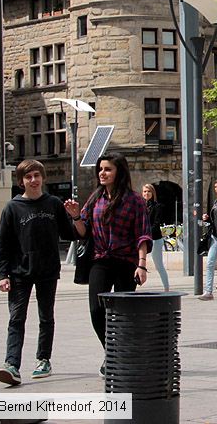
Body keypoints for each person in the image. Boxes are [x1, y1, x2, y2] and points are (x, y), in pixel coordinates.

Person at [0, 160, 85, 386]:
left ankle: (43, 359)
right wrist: (2, 275)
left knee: (46, 317)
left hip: (47, 270)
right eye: (28, 177)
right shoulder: (12, 208)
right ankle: (11, 364)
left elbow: (74, 234)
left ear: (42, 178)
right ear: (21, 181)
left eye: (36, 175)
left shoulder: (53, 204)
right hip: (19, 272)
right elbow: (3, 245)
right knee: (16, 318)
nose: (33, 180)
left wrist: (76, 216)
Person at [63, 154, 150, 377]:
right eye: (100, 169)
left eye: (108, 169)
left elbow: (142, 235)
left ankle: (119, 355)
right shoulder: (95, 198)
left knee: (123, 314)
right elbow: (83, 232)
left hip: (126, 262)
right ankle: (112, 352)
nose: (102, 173)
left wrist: (141, 265)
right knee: (96, 309)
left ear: (119, 172)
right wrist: (75, 217)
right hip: (100, 259)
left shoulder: (134, 200)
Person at [142, 183, 169, 291]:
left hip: (155, 239)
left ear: (153, 193)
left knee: (159, 265)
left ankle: (166, 288)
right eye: (144, 191)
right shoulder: (141, 206)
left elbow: (156, 223)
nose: (146, 193)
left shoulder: (157, 206)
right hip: (143, 239)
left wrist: (146, 233)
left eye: (149, 191)